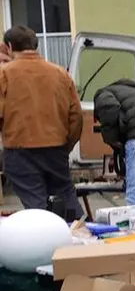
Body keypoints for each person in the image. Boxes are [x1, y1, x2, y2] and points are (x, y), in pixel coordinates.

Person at [0, 26, 84, 219]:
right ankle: (82, 235)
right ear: (35, 45)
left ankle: (46, 240)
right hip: (56, 147)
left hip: (19, 148)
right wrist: (66, 146)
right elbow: (76, 116)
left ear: (10, 46)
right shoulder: (60, 74)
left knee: (36, 205)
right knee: (65, 196)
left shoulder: (5, 74)